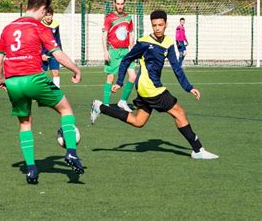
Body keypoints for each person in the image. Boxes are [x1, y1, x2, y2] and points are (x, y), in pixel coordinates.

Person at [90, 10, 218, 160]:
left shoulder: (169, 43)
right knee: (179, 112)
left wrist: (189, 87)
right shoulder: (144, 42)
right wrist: (119, 82)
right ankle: (198, 150)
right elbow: (126, 59)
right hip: (150, 87)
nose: (157, 28)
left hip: (149, 88)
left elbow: (176, 68)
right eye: (154, 25)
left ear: (166, 25)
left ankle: (100, 107)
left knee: (138, 122)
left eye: (160, 25)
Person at [0, 0, 84, 185]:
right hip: (34, 78)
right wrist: (75, 69)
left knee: (25, 123)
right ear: (43, 9)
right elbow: (57, 54)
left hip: (13, 82)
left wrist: (1, 79)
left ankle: (32, 170)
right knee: (65, 109)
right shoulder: (39, 26)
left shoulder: (8, 28)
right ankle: (71, 153)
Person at [101, 0, 136, 113]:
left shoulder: (128, 18)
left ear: (124, 4)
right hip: (113, 51)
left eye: (122, 4)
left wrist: (133, 51)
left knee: (133, 76)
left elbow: (130, 35)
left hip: (126, 52)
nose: (120, 6)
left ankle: (123, 101)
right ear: (114, 4)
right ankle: (105, 104)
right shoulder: (109, 18)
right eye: (118, 4)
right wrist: (105, 51)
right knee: (111, 77)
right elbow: (104, 34)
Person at [41, 7, 62, 88]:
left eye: (50, 15)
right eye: (46, 15)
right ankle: (41, 92)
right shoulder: (40, 24)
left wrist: (60, 51)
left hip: (53, 52)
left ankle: (56, 91)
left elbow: (57, 38)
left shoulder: (55, 24)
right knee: (41, 74)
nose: (48, 17)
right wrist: (42, 53)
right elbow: (38, 41)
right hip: (43, 53)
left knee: (56, 73)